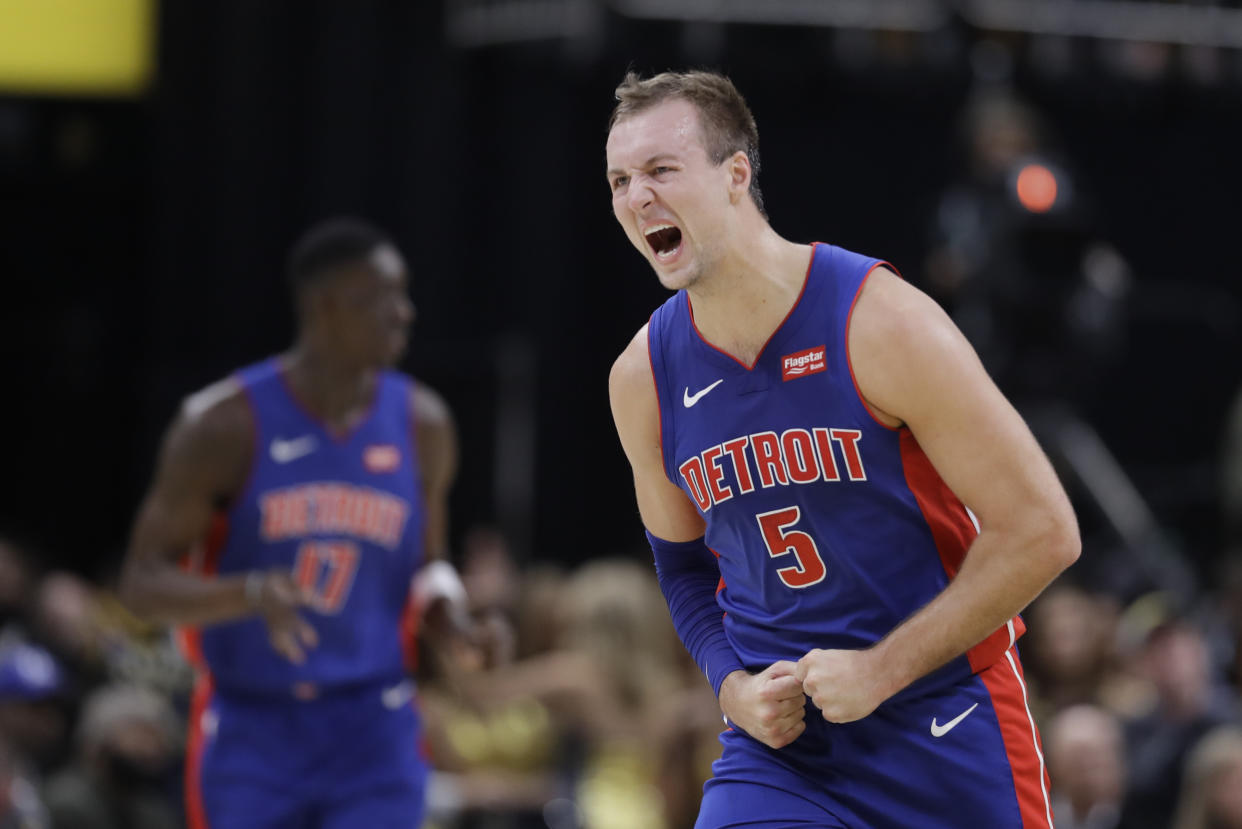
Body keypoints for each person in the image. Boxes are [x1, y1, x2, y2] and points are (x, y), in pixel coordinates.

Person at [605, 70, 1081, 828]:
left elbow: (1044, 531)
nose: (636, 198)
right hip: (785, 755)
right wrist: (730, 684)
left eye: (661, 170)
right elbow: (681, 564)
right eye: (620, 180)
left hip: (946, 719)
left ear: (736, 175)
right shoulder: (643, 378)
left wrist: (881, 670)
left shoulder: (880, 321)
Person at [119, 217, 464, 829]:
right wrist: (248, 594)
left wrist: (451, 611)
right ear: (326, 305)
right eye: (385, 296)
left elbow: (430, 564)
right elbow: (142, 584)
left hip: (373, 722)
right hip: (255, 722)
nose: (405, 313)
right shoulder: (221, 425)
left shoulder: (423, 422)